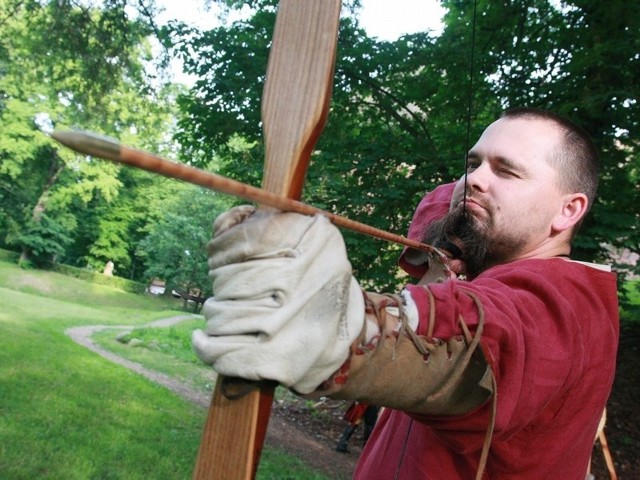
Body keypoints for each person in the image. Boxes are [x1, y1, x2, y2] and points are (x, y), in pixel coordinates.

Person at [192, 108, 619, 479]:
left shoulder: (568, 306)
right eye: (473, 164)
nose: (474, 180)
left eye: (506, 171)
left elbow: (480, 333)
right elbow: (441, 217)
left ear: (569, 210)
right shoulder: (480, 268)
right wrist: (453, 241)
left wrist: (329, 323)